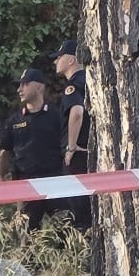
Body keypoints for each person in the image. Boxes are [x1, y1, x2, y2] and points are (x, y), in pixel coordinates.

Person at [0, 70, 70, 229]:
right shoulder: (15, 121)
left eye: (24, 84)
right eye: (19, 86)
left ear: (39, 88)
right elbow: (5, 151)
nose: (19, 90)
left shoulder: (56, 116)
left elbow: (67, 147)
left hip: (55, 182)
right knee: (27, 233)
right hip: (26, 185)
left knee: (64, 229)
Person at [53, 40, 94, 229]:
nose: (55, 61)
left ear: (71, 60)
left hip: (77, 154)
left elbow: (76, 112)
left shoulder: (74, 84)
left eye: (59, 57)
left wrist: (71, 146)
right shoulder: (89, 79)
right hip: (89, 151)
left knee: (77, 205)